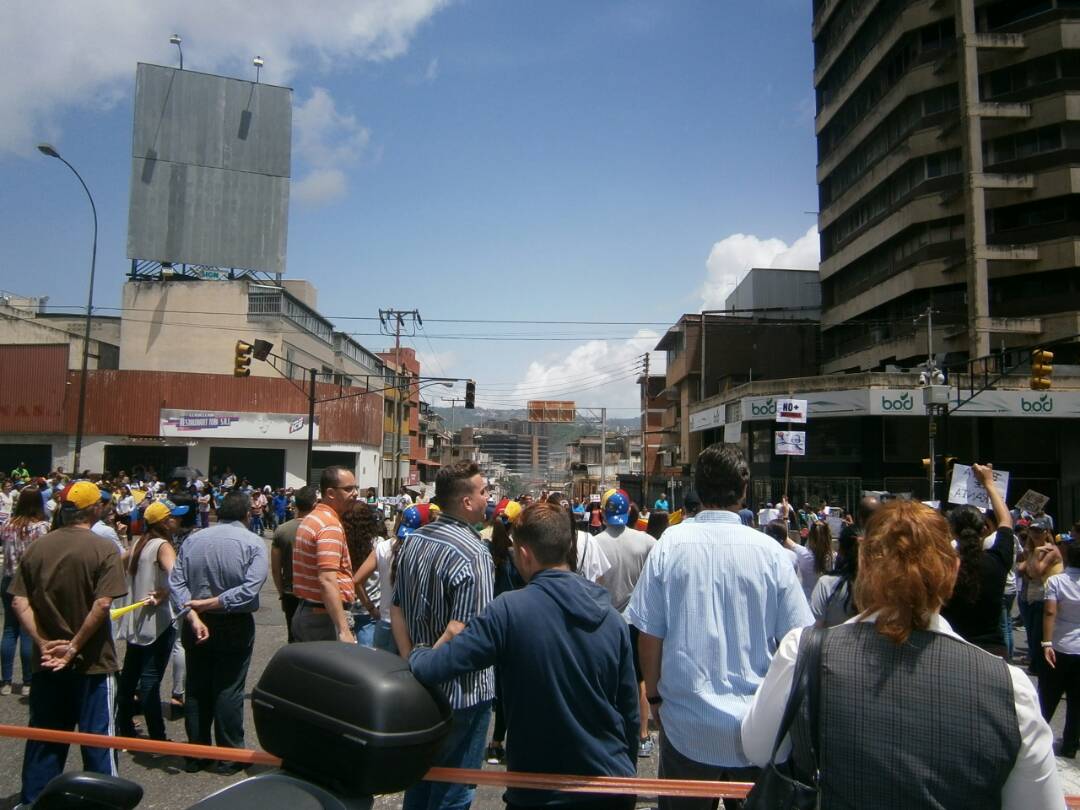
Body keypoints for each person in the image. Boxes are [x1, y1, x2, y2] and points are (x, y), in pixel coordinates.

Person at [741, 500, 1062, 809]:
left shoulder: (804, 652)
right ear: (951, 571)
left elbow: (757, 746)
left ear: (865, 565)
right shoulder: (1010, 689)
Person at [410, 502, 639, 810]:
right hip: (608, 784)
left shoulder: (508, 611)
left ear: (526, 554)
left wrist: (417, 654)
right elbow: (629, 712)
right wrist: (629, 779)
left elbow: (442, 664)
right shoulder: (611, 619)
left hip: (538, 790)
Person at [627, 444, 812, 810]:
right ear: (744, 488)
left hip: (688, 728)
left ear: (698, 487)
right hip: (758, 729)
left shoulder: (670, 546)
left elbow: (649, 634)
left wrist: (655, 698)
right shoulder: (773, 554)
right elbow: (798, 641)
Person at [10, 482, 128, 804]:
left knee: (44, 738)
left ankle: (33, 801)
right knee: (99, 741)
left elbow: (19, 602)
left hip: (47, 661)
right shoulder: (103, 548)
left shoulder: (38, 547)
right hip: (92, 663)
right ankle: (106, 803)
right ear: (94, 509)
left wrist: (43, 642)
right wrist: (74, 646)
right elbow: (102, 604)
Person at [392, 460, 494, 810]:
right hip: (464, 692)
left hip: (418, 682)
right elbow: (463, 629)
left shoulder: (414, 540)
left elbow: (396, 608)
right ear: (466, 502)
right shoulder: (475, 552)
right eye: (483, 491)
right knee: (455, 789)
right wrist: (428, 667)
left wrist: (413, 664)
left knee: (419, 779)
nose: (488, 497)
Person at [168, 491, 268, 774]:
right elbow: (251, 588)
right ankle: (228, 755)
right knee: (229, 687)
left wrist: (193, 612)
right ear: (247, 514)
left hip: (196, 621)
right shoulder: (252, 542)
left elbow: (176, 582)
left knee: (198, 686)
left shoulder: (193, 540)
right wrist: (214, 602)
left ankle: (197, 753)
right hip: (232, 621)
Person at [594, 488, 658, 759]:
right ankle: (643, 735)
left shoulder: (595, 543)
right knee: (639, 678)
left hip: (606, 620)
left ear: (604, 513)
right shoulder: (646, 542)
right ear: (630, 511)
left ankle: (610, 732)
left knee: (607, 678)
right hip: (637, 620)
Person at [115, 500, 184, 741]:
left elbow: (115, 565)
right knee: (150, 682)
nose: (177, 521)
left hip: (136, 621)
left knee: (129, 678)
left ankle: (124, 727)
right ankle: (157, 735)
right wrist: (164, 593)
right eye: (173, 517)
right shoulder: (162, 546)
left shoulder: (139, 543)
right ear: (164, 522)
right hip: (158, 621)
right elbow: (177, 578)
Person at [941, 464, 1014, 656]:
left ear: (952, 532)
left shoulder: (941, 567)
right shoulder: (998, 561)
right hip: (993, 652)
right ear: (984, 530)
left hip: (950, 650)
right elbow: (1006, 521)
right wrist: (989, 483)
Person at [291, 466, 359, 643]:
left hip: (310, 611)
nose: (355, 493)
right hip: (323, 617)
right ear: (330, 493)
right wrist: (344, 630)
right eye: (348, 489)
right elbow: (327, 579)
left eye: (355, 488)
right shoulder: (329, 525)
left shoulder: (312, 518)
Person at [0, 486, 49, 695]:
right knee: (28, 630)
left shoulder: (7, 525)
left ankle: (6, 681)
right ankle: (28, 681)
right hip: (30, 582)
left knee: (9, 629)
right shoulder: (41, 528)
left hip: (8, 579)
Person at [1042, 536, 1080, 758]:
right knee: (1076, 700)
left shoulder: (1056, 581)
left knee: (1048, 696)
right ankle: (1070, 744)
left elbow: (1050, 612)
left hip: (1060, 645)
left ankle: (1038, 739)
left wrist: (1046, 642)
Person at [270, 484, 317, 644]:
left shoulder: (282, 530)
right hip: (314, 591)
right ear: (315, 505)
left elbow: (276, 569)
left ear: (296, 504)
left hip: (290, 591)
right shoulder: (320, 529)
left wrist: (281, 593)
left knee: (293, 635)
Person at [1020, 515, 1062, 676]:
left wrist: (1035, 555)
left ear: (1046, 532)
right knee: (1031, 635)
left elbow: (1036, 572)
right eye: (1033, 530)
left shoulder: (1051, 550)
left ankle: (1041, 669)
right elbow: (1021, 569)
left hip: (1046, 597)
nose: (1035, 534)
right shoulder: (1030, 549)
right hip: (1031, 596)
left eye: (1039, 530)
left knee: (1039, 637)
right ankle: (1036, 664)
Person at [342, 500, 382, 647]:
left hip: (345, 609)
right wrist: (371, 608)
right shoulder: (378, 545)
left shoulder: (340, 543)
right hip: (372, 610)